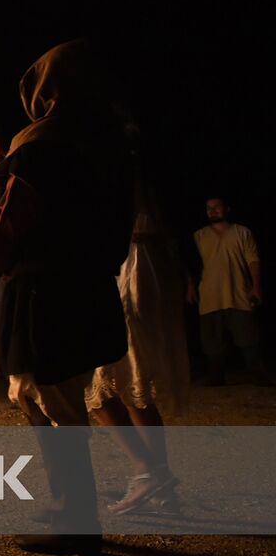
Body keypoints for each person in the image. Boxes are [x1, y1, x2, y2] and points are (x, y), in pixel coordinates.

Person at [0, 40, 132, 556]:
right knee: (52, 396)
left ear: (48, 90)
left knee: (50, 399)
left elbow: (11, 219)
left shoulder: (42, 143)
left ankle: (76, 521)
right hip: (88, 284)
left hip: (46, 290)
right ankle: (70, 509)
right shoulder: (107, 142)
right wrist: (12, 165)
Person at [87, 194, 191, 515]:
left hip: (130, 273)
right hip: (143, 268)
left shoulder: (120, 178)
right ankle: (158, 489)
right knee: (131, 382)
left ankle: (148, 473)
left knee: (108, 383)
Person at [189, 197, 266, 386]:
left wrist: (256, 286)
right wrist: (190, 287)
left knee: (248, 336)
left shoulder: (242, 232)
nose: (212, 211)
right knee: (212, 340)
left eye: (217, 207)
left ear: (227, 209)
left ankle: (258, 374)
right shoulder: (199, 236)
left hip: (238, 291)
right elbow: (191, 265)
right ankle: (216, 376)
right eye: (209, 208)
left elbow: (253, 260)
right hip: (209, 294)